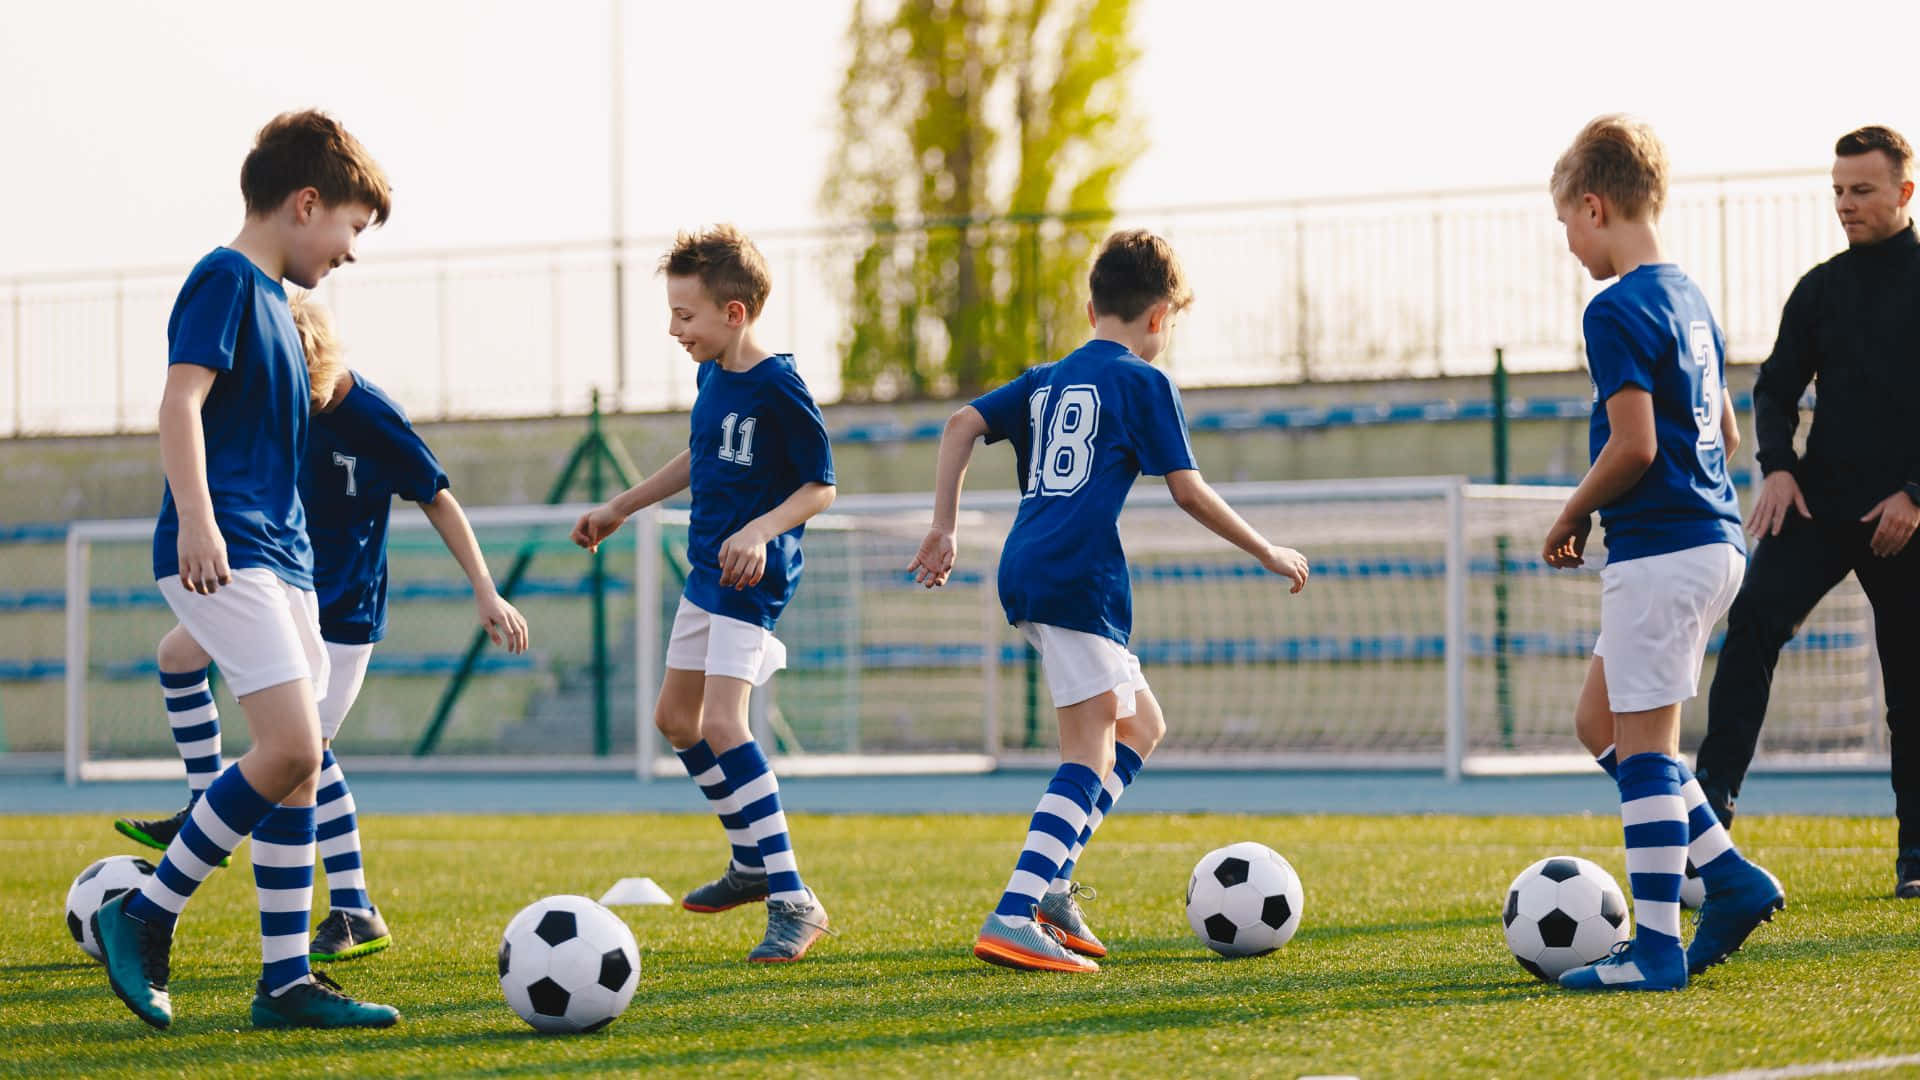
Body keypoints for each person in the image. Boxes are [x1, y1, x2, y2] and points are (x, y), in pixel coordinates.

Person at [908, 229, 1310, 973]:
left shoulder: (1047, 376)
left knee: (1143, 726)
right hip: (1077, 577)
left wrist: (945, 527)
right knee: (1088, 755)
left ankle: (1053, 888)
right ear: (1160, 318)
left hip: (1031, 566)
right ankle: (1015, 911)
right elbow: (1188, 490)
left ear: (1092, 307)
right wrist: (1266, 549)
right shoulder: (1143, 382)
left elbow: (962, 422)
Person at [92, 109, 398, 1029]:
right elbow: (179, 403)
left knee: (300, 771)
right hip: (225, 555)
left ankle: (286, 981)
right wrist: (196, 519)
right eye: (349, 228)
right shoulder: (224, 279)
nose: (349, 253)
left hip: (283, 558)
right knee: (293, 749)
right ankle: (143, 916)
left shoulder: (279, 305)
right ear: (307, 203)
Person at [114, 295, 531, 966]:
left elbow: (437, 496)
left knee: (303, 755)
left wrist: (485, 589)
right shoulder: (280, 413)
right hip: (284, 592)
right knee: (179, 656)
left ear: (312, 360)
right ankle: (207, 807)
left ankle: (350, 907)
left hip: (342, 618)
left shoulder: (371, 416)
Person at [1541, 116, 1783, 992]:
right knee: (1598, 725)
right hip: (1715, 540)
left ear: (1595, 207)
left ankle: (1655, 949)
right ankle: (1728, 876)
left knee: (1643, 750)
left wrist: (1570, 513)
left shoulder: (1612, 308)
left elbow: (1634, 446)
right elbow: (1720, 425)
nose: (1570, 245)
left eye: (1568, 223)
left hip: (1660, 550)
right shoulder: (1689, 296)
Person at [572, 225, 836, 962]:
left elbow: (820, 485)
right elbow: (699, 454)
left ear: (736, 312)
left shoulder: (781, 385)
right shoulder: (711, 377)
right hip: (705, 575)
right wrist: (621, 506)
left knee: (724, 721)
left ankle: (793, 898)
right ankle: (751, 861)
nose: (673, 328)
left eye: (685, 315)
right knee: (676, 719)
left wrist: (759, 531)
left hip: (752, 580)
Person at [1696, 125, 1920, 900]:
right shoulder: (1821, 286)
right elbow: (1774, 389)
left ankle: (1916, 856)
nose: (1846, 204)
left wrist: (1915, 496)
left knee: (1911, 688)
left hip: (1906, 518)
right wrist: (1780, 470)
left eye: (1862, 190)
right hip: (1819, 503)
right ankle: (1708, 824)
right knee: (1753, 624)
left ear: (1904, 191)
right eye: (1837, 190)